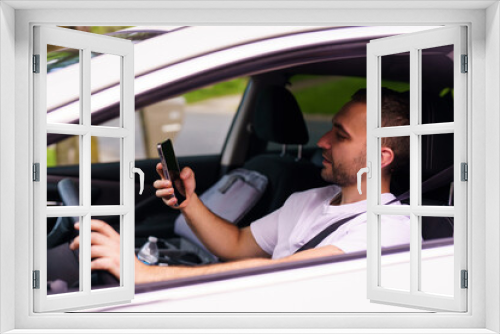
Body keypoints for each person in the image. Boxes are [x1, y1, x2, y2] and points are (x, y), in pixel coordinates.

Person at [70, 88, 411, 284]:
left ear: (380, 158)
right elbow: (235, 244)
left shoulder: (390, 232)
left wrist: (144, 275)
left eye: (340, 135)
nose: (322, 141)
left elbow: (278, 272)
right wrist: (190, 202)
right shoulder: (308, 200)